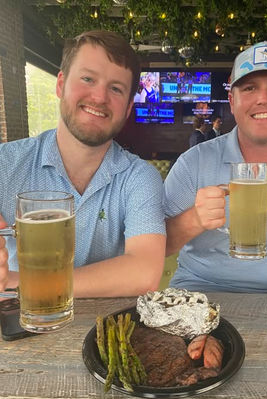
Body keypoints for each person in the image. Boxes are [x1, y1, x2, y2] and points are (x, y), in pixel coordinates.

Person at [0, 30, 166, 298]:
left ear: (127, 109)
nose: (99, 97)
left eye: (116, 88)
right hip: (19, 328)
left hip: (107, 333)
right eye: (88, 79)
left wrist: (22, 282)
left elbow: (144, 272)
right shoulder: (5, 164)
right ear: (60, 84)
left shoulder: (139, 177)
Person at [163, 41, 267, 294]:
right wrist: (194, 220)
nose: (263, 99)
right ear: (232, 101)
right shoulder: (194, 161)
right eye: (250, 88)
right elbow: (155, 247)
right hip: (198, 290)